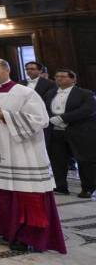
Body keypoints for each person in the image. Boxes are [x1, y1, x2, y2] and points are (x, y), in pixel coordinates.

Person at [0, 58, 66, 253]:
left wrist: (6, 115)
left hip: (23, 151)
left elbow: (42, 120)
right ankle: (1, 228)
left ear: (6, 70)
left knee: (25, 193)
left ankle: (25, 235)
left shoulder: (25, 93)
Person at [44, 69, 96, 198]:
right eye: (56, 76)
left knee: (84, 161)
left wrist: (63, 118)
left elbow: (88, 110)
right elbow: (43, 108)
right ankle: (61, 186)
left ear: (73, 79)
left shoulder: (85, 93)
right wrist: (51, 118)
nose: (59, 79)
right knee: (58, 161)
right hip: (56, 132)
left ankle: (88, 188)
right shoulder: (50, 93)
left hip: (79, 131)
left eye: (63, 76)